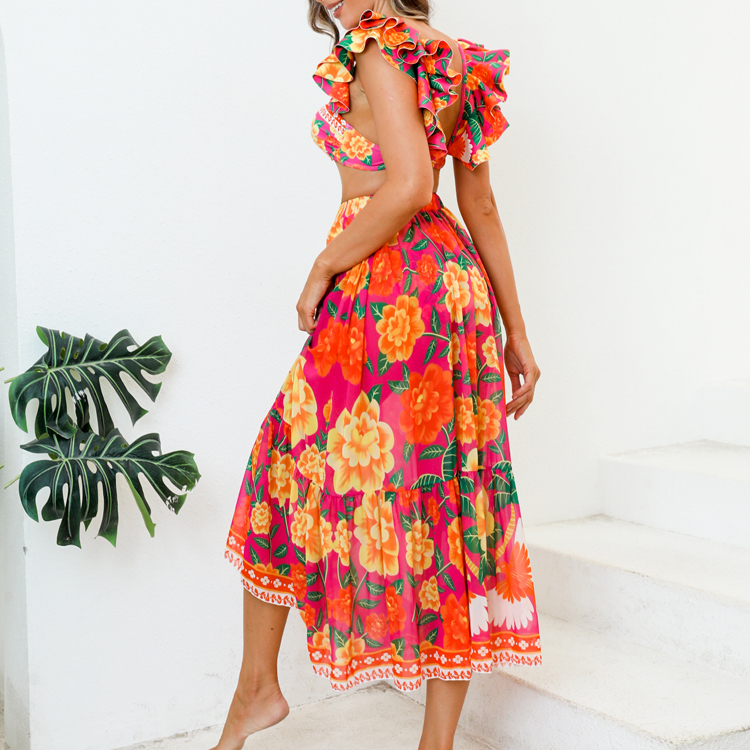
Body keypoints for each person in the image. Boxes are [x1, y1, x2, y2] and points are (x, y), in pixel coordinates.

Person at [213, 2, 542, 748]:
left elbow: (410, 184)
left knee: (284, 470)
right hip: (451, 287)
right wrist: (515, 330)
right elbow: (479, 204)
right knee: (449, 498)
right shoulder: (457, 55)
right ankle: (434, 744)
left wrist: (322, 265)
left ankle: (256, 691)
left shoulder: (378, 47)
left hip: (386, 286)